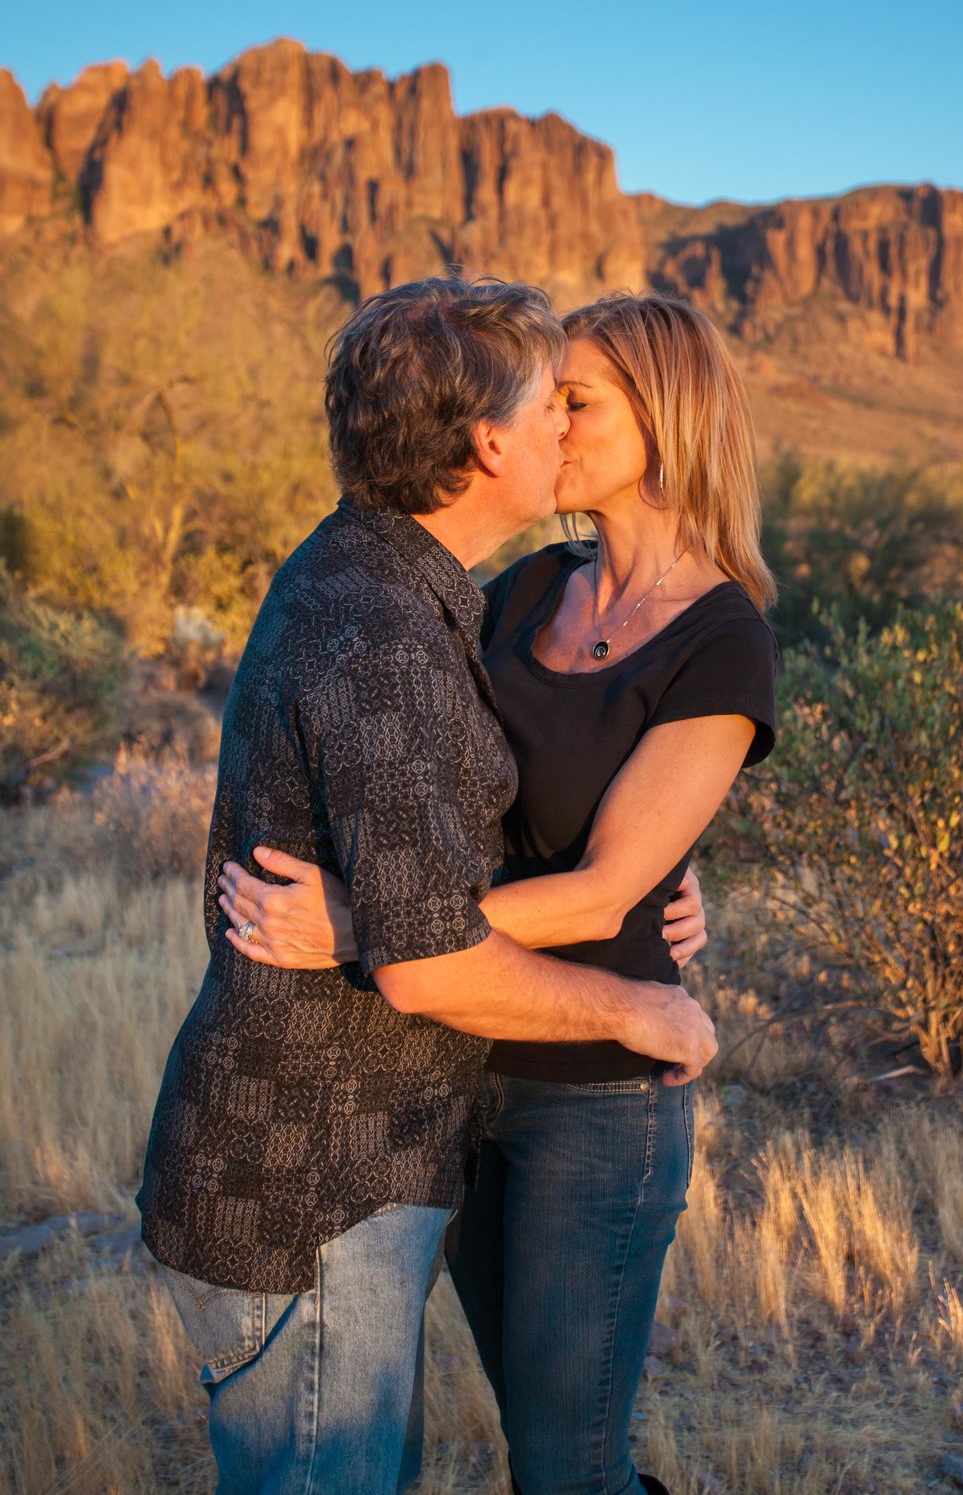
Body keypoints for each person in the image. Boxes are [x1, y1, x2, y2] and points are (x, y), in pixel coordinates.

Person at [138, 279, 719, 1495]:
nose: (563, 427)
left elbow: (513, 817)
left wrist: (657, 867)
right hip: (318, 1171)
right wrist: (631, 1007)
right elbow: (428, 958)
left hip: (358, 1151)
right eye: (546, 402)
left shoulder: (393, 584)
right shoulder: (401, 625)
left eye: (583, 399)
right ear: (489, 443)